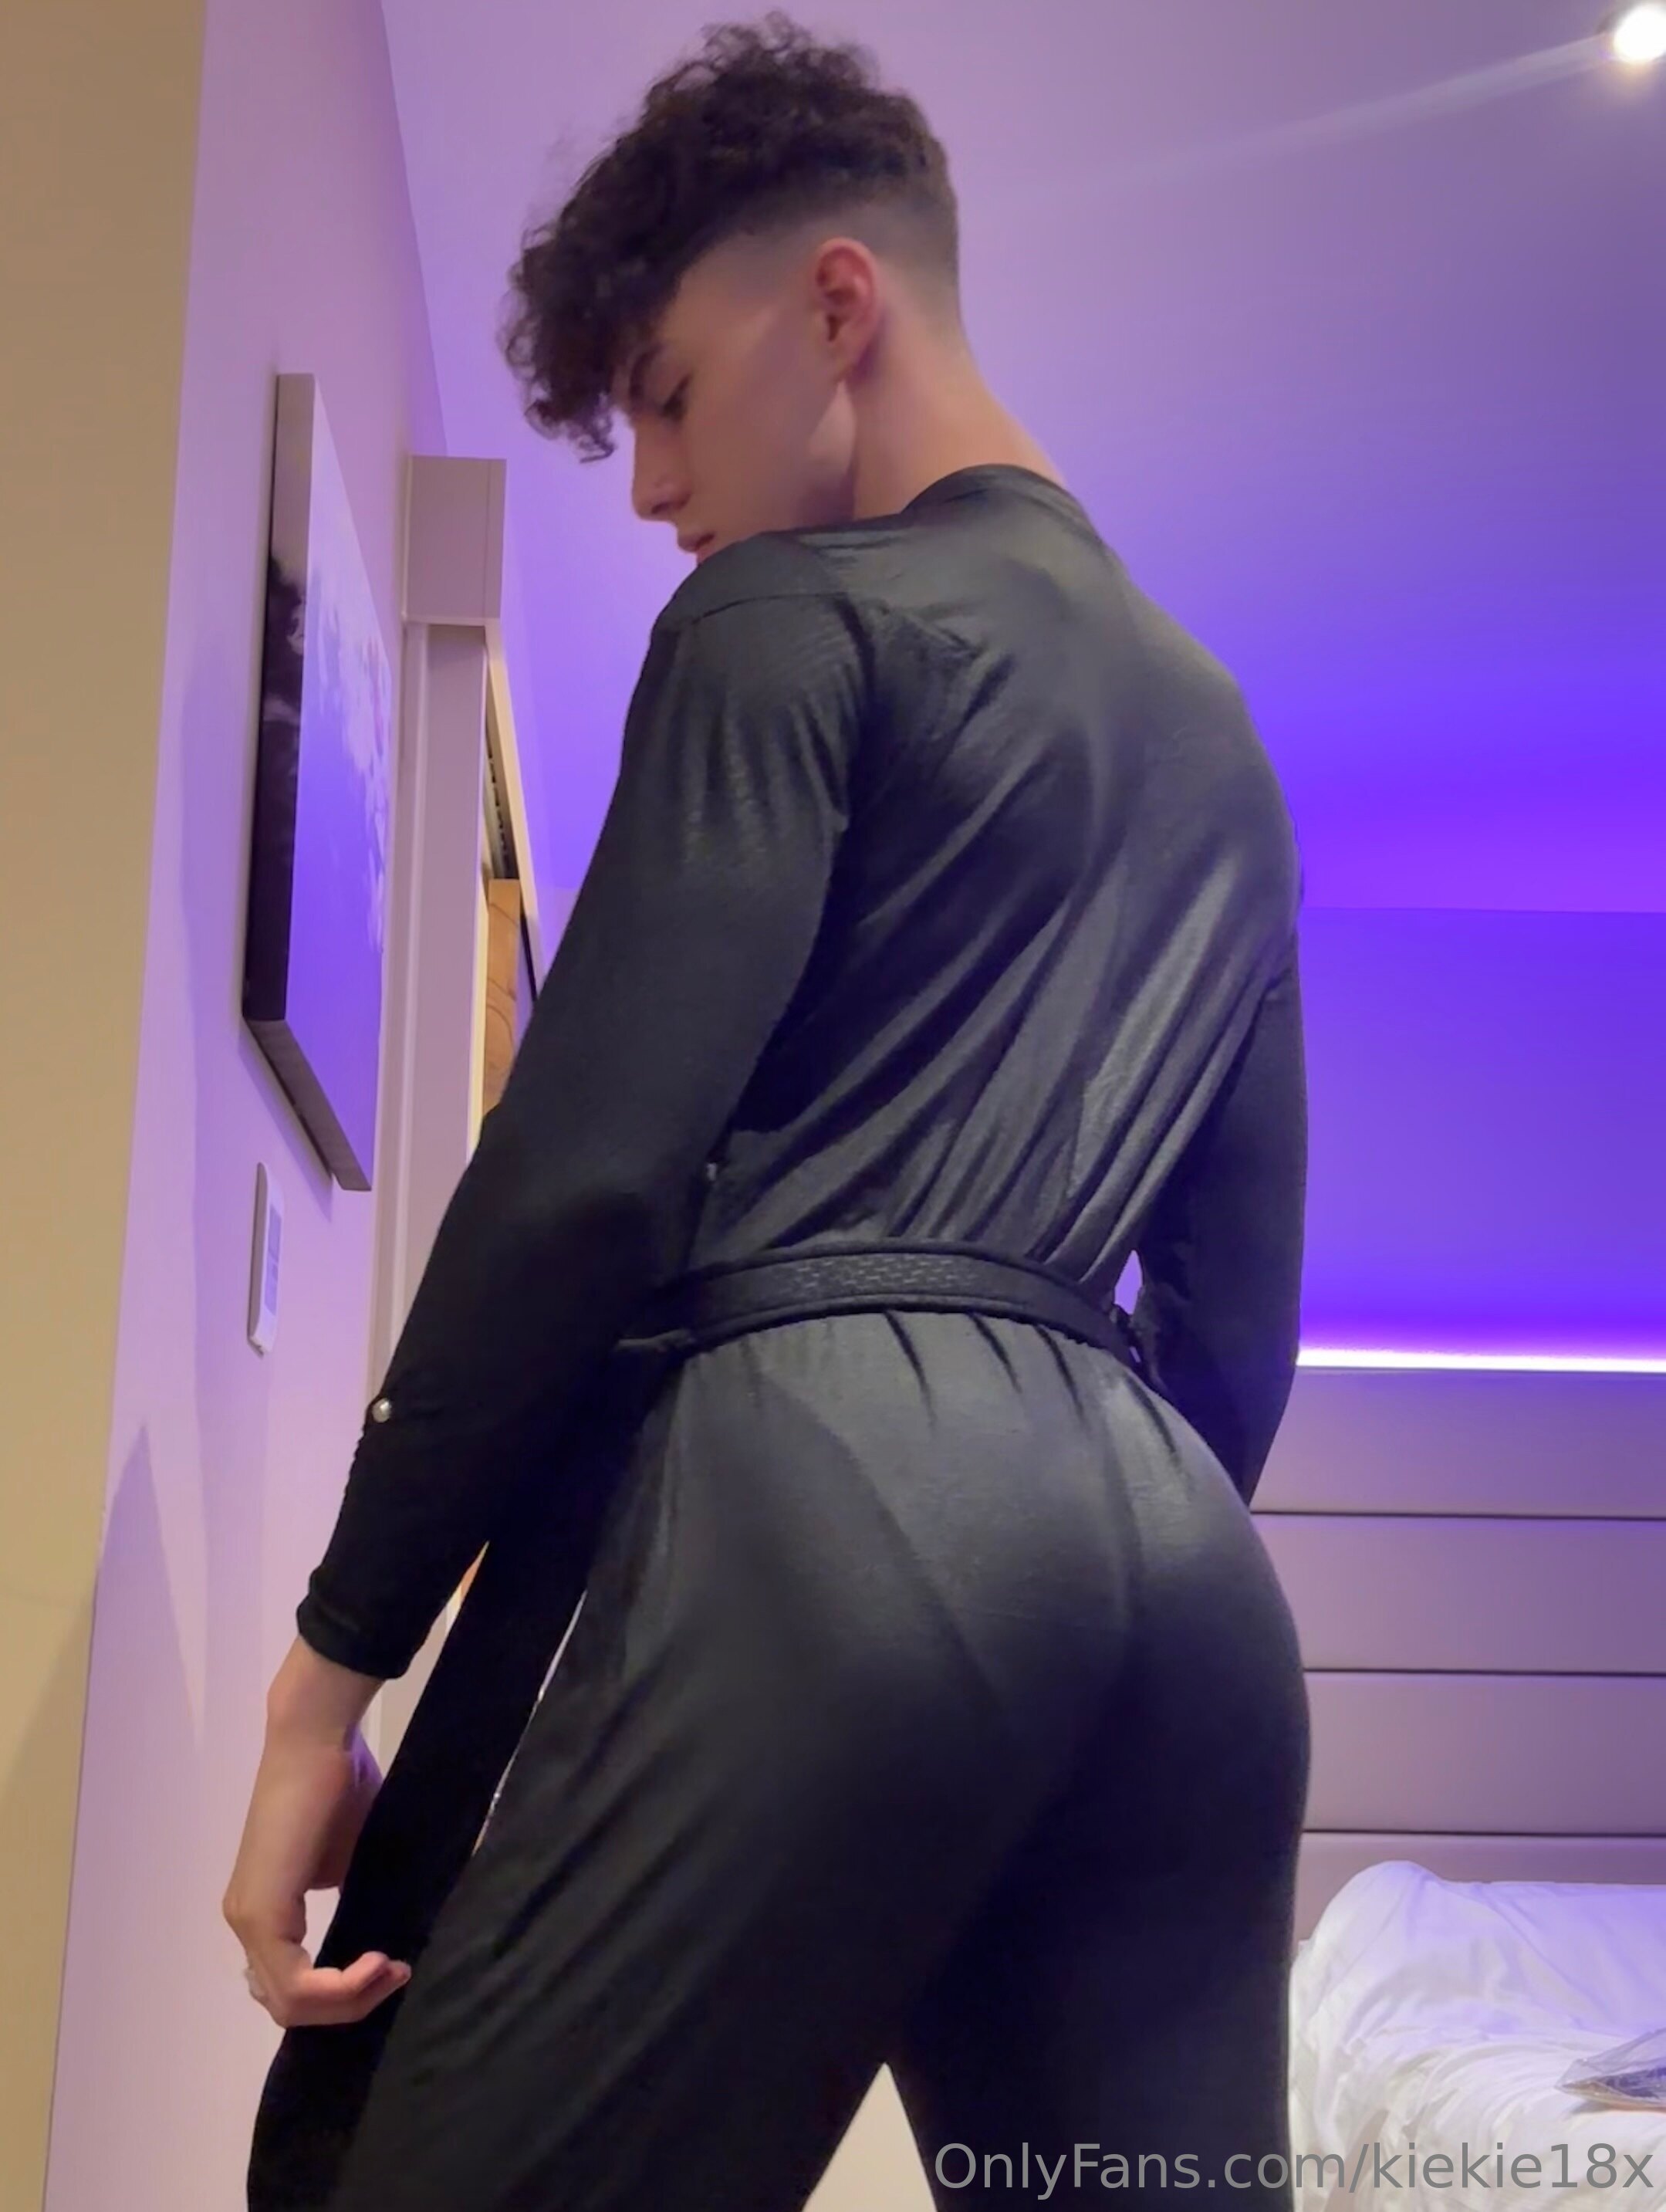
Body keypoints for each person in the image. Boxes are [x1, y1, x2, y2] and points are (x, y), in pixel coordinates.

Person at [225, 15, 1312, 2210]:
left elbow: (586, 1181)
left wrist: (324, 1678)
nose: (647, 484)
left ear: (836, 305)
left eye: (663, 395)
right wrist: (1071, 1551)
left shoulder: (786, 623)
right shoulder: (1225, 745)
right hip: (1196, 1607)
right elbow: (1238, 1318)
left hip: (839, 1513)